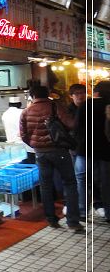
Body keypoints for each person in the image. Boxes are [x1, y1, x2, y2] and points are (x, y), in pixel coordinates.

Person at [19, 86, 83, 231]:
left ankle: (51, 219)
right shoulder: (55, 106)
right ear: (48, 94)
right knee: (69, 183)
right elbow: (71, 124)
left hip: (40, 153)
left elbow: (23, 135)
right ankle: (73, 222)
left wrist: (36, 145)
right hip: (59, 150)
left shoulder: (26, 111)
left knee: (45, 186)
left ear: (32, 96)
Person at [76, 81, 110, 222]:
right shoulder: (108, 106)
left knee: (82, 180)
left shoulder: (85, 105)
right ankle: (108, 213)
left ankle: (83, 212)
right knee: (106, 182)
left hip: (85, 149)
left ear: (96, 92)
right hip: (106, 151)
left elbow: (77, 128)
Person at [69, 84, 89, 219]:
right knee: (79, 179)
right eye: (77, 93)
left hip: (91, 147)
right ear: (71, 96)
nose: (80, 96)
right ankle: (82, 209)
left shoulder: (90, 107)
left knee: (90, 178)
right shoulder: (68, 110)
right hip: (75, 149)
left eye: (82, 93)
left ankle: (94, 204)